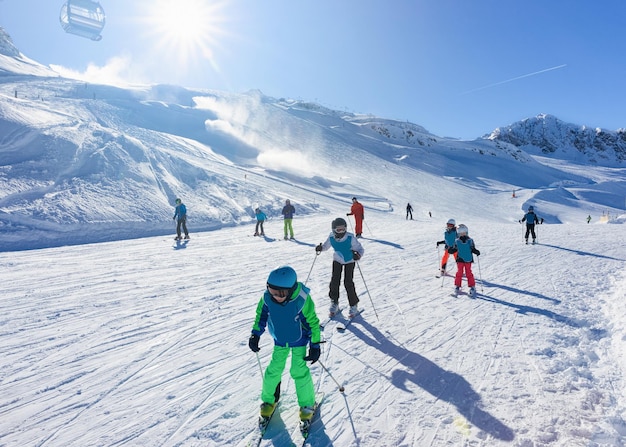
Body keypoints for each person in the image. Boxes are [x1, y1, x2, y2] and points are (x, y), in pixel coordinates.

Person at [248, 266, 321, 423]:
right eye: (272, 291)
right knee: (274, 370)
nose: (276, 297)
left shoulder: (301, 300)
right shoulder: (267, 298)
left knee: (298, 370)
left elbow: (313, 322)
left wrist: (315, 345)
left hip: (299, 340)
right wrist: (255, 334)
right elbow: (260, 316)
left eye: (280, 294)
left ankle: (307, 405)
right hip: (280, 340)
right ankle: (269, 400)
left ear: (291, 289)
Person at [315, 217, 365, 318]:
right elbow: (326, 246)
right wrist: (321, 248)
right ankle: (334, 302)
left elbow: (360, 249)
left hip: (349, 261)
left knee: (348, 282)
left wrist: (358, 255)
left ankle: (353, 304)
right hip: (337, 259)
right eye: (339, 229)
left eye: (343, 229)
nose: (342, 231)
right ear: (334, 230)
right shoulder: (331, 237)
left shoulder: (350, 237)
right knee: (334, 281)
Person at [447, 224, 480, 297]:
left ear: (466, 232)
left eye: (464, 232)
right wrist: (450, 250)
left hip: (468, 259)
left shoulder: (470, 241)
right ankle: (457, 285)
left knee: (468, 272)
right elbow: (455, 249)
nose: (462, 234)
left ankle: (472, 286)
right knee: (459, 272)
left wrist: (476, 251)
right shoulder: (457, 241)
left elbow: (472, 248)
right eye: (460, 232)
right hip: (460, 259)